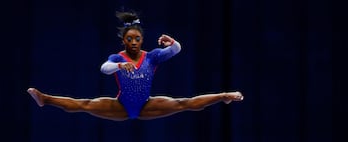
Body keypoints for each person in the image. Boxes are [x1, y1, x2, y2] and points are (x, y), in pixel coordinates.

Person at [27, 10, 243, 121]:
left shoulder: (152, 57)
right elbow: (104, 68)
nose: (133, 43)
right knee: (84, 104)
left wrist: (173, 42)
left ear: (141, 40)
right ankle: (45, 100)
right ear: (124, 41)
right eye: (129, 39)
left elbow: (176, 51)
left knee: (182, 103)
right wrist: (120, 67)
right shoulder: (118, 57)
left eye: (136, 39)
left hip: (147, 105)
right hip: (120, 105)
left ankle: (223, 96)